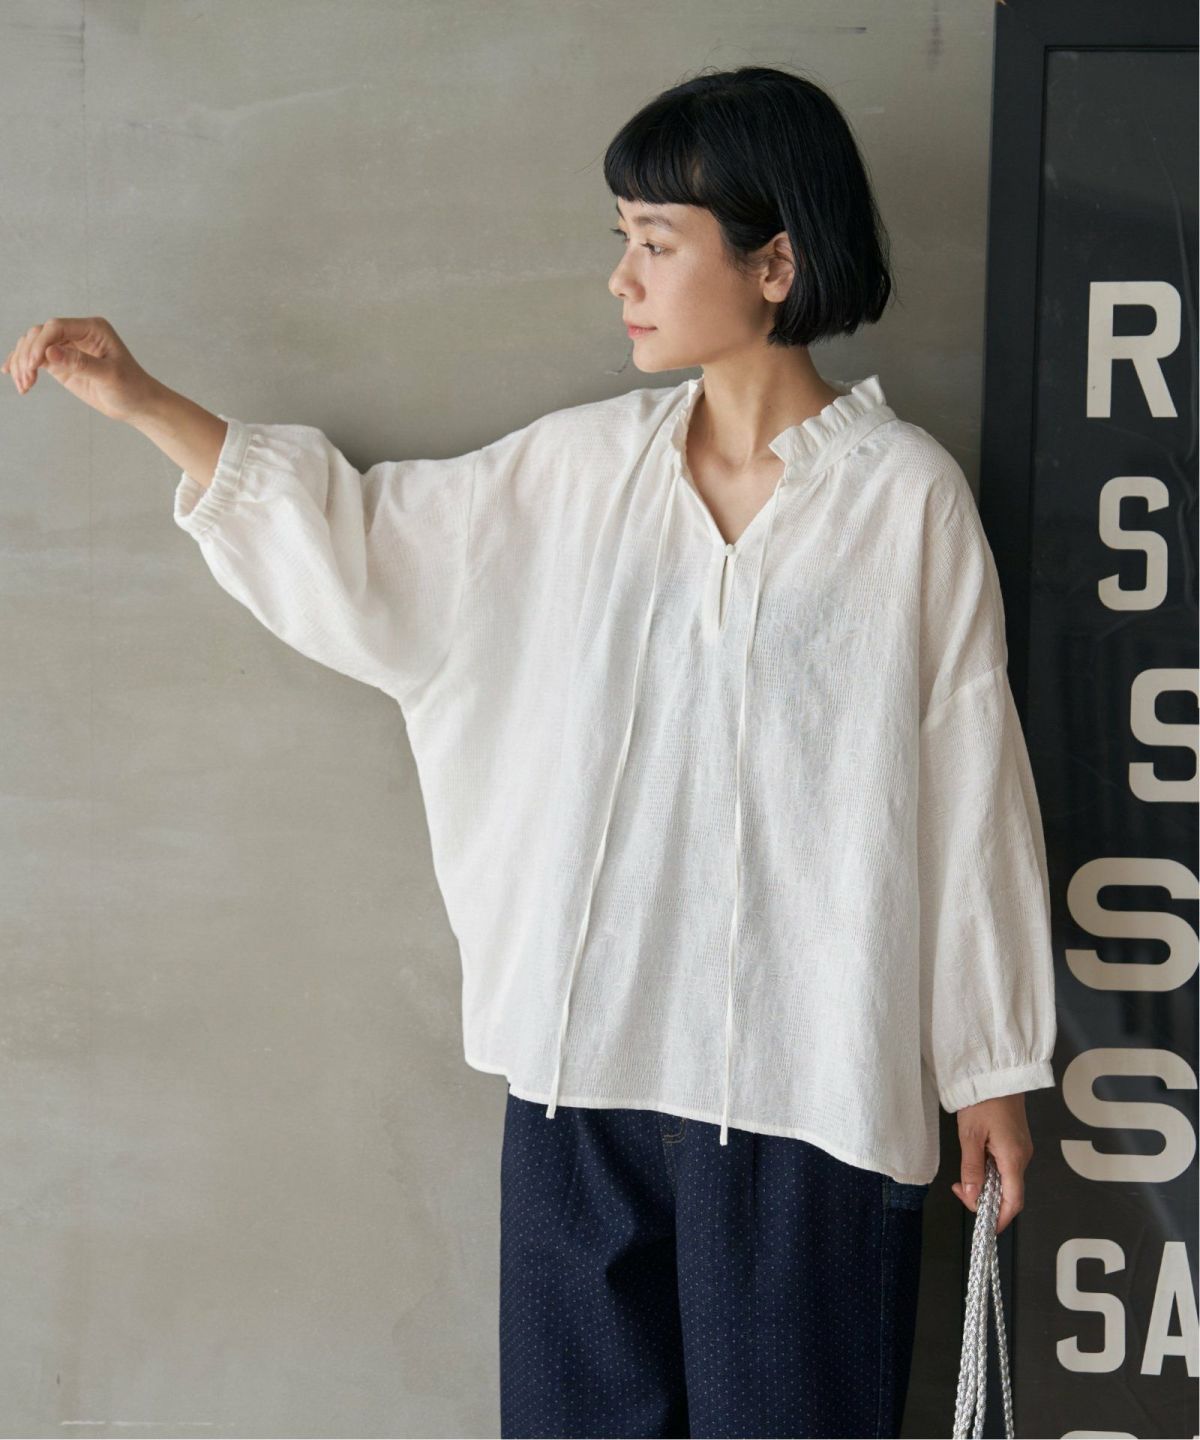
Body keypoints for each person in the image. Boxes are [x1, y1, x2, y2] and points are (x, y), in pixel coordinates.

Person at [5, 63, 1056, 1440]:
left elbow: (970, 785)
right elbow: (374, 552)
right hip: (581, 1092)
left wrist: (988, 1062)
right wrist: (145, 400)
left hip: (811, 1096)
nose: (621, 277)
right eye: (622, 237)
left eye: (657, 241)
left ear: (776, 263)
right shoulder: (580, 474)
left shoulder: (905, 502)